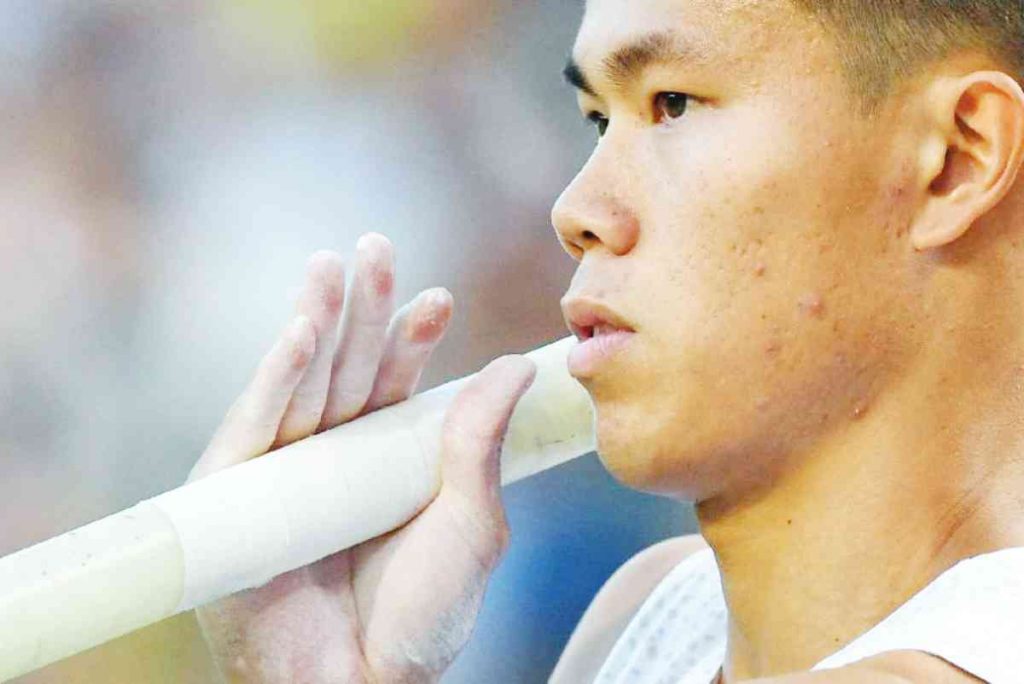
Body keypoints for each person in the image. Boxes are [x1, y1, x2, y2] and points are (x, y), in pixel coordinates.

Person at [189, 0, 1024, 682]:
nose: (576, 210)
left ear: (956, 157)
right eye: (597, 121)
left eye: (672, 104)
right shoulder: (647, 619)